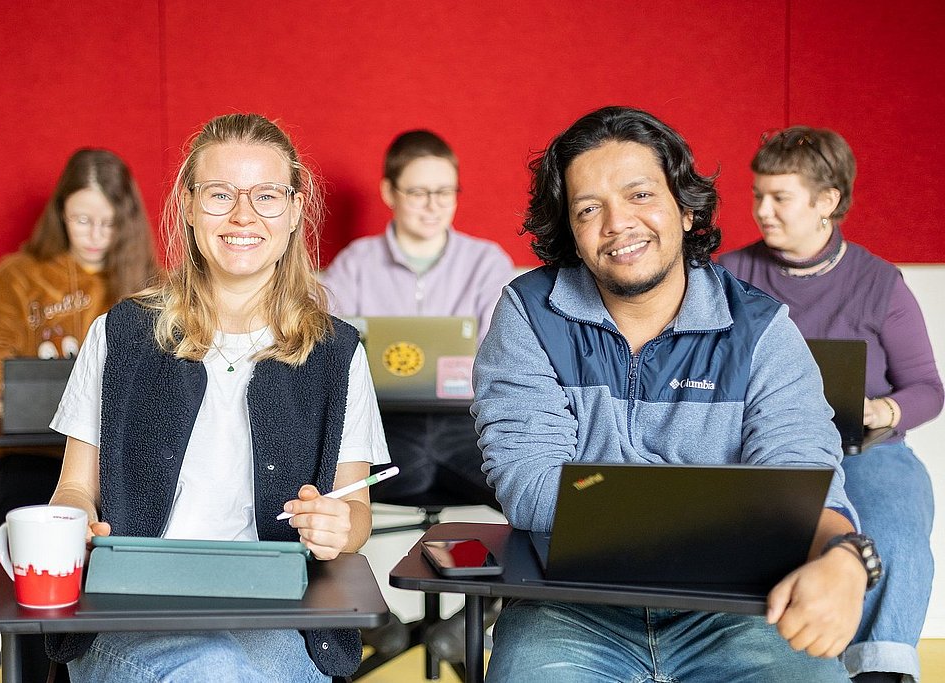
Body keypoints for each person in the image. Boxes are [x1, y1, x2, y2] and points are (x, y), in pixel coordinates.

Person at [472, 106, 879, 682]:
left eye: (640, 195)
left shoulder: (762, 329)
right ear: (571, 231)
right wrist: (735, 509)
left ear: (687, 210)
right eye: (589, 209)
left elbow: (801, 481)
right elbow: (533, 487)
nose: (617, 223)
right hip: (569, 607)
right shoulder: (528, 314)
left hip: (741, 608)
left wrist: (845, 560)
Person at [47, 113, 390, 682]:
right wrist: (77, 521)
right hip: (133, 611)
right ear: (186, 204)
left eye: (266, 196)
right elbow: (76, 488)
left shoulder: (339, 353)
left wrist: (338, 525)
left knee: (224, 669)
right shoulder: (118, 335)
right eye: (220, 194)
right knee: (212, 670)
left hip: (277, 616)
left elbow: (355, 512)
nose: (243, 216)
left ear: (295, 209)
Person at [720, 126, 943, 683]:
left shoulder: (880, 283)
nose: (763, 211)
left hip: (864, 449)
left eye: (780, 198)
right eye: (757, 195)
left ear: (827, 202)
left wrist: (882, 411)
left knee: (892, 533)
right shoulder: (727, 275)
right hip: (763, 451)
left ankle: (878, 672)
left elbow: (926, 388)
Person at [0, 148, 158, 553]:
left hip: (122, 462)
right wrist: (8, 400)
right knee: (41, 540)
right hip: (28, 456)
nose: (95, 235)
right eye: (83, 220)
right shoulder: (18, 277)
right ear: (61, 214)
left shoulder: (153, 285)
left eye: (110, 223)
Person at [322, 130, 513, 507]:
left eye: (445, 192)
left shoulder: (487, 262)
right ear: (389, 192)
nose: (433, 206)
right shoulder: (355, 263)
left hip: (468, 425)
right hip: (384, 425)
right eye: (418, 193)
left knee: (528, 490)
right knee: (330, 493)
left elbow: (501, 356)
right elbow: (329, 345)